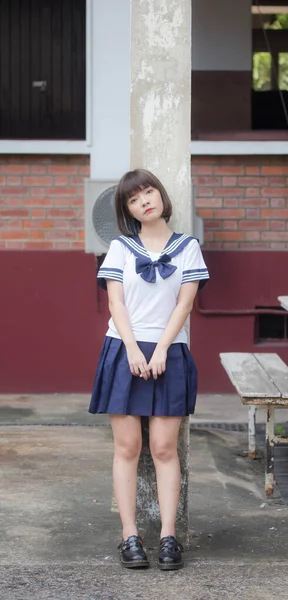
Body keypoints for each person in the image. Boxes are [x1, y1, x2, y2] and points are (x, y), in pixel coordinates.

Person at [89, 169, 209, 571]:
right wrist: (132, 350)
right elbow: (116, 305)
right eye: (134, 198)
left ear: (160, 195)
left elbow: (184, 305)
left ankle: (169, 537)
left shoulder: (188, 247)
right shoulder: (120, 248)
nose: (144, 200)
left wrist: (159, 350)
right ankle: (129, 536)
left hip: (169, 352)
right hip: (123, 350)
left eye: (149, 191)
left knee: (163, 448)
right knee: (128, 448)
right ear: (128, 211)